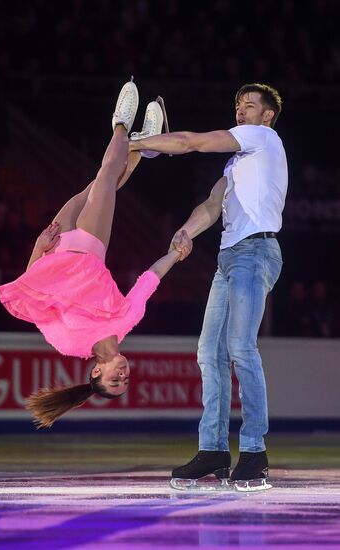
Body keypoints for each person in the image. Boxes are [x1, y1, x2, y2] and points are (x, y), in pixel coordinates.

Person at [0, 79, 192, 428]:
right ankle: (124, 127)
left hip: (55, 248)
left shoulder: (67, 343)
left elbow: (35, 300)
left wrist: (38, 248)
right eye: (126, 380)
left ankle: (141, 146)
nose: (123, 374)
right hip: (89, 245)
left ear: (96, 371)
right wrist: (175, 255)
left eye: (114, 379)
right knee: (105, 177)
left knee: (103, 180)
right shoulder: (127, 321)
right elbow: (150, 279)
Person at [130, 83, 288, 488]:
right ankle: (214, 450)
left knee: (239, 347)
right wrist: (185, 231)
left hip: (255, 253)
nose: (241, 111)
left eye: (249, 106)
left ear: (267, 115)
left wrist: (141, 143)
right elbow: (211, 205)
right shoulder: (236, 165)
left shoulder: (263, 137)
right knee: (209, 352)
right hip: (230, 258)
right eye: (238, 105)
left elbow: (191, 141)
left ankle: (255, 452)